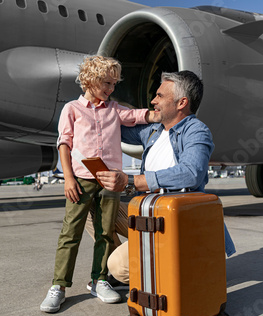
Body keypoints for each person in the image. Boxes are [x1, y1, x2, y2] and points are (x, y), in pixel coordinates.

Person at [40, 55, 159, 313]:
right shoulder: (72, 109)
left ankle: (100, 280)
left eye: (114, 84)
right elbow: (64, 144)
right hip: (81, 180)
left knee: (105, 232)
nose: (111, 88)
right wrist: (68, 177)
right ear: (91, 80)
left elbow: (135, 115)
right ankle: (59, 286)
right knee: (70, 232)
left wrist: (155, 114)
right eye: (107, 82)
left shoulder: (114, 109)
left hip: (110, 180)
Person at [94, 70, 236, 284]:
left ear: (182, 103)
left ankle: (160, 270)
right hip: (148, 213)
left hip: (175, 220)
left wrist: (132, 181)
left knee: (117, 265)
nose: (153, 101)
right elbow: (115, 126)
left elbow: (191, 173)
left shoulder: (196, 131)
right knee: (93, 208)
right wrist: (98, 97)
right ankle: (138, 268)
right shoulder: (152, 131)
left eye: (160, 96)